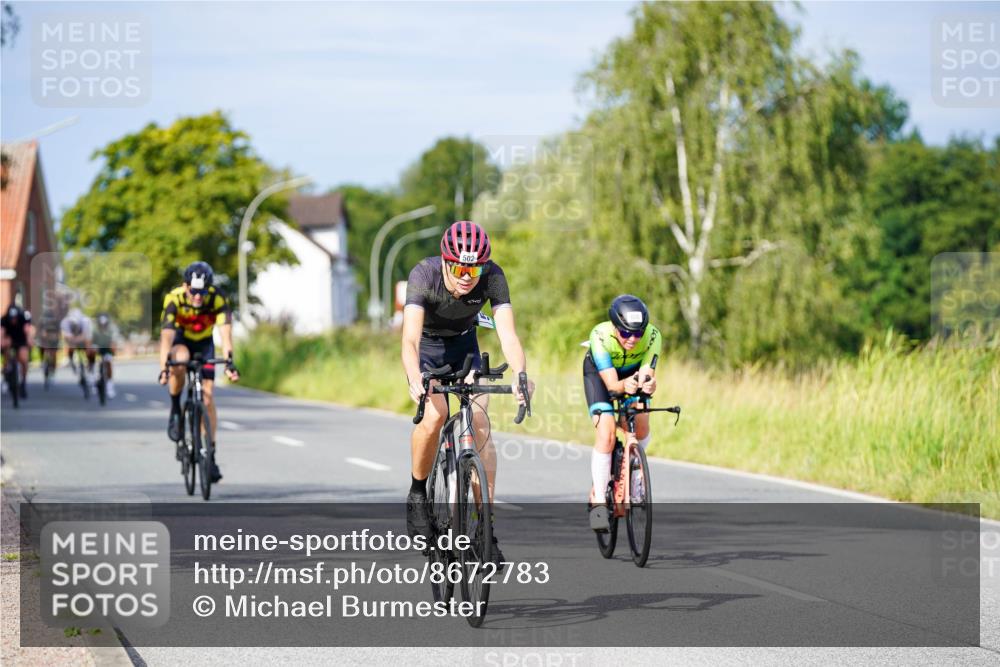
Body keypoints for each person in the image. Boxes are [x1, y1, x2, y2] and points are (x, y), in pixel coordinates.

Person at [401, 220, 533, 560]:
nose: (466, 275)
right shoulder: (424, 275)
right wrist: (415, 377)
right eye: (459, 267)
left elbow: (507, 335)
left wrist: (521, 374)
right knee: (436, 414)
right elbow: (410, 339)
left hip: (466, 348)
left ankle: (484, 528)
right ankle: (418, 493)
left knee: (479, 421)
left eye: (474, 269)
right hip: (428, 351)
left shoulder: (493, 276)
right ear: (445, 261)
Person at [583, 294, 661, 530]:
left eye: (638, 333)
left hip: (633, 374)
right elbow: (612, 385)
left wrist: (648, 384)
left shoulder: (653, 336)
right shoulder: (599, 335)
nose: (632, 339)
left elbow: (647, 371)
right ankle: (598, 501)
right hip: (601, 377)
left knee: (641, 423)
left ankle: (636, 472)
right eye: (626, 333)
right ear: (615, 328)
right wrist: (624, 386)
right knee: (606, 434)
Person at [158, 261, 240, 483]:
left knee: (207, 396)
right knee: (180, 360)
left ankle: (210, 454)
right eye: (193, 292)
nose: (197, 297)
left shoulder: (217, 298)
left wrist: (230, 362)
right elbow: (166, 337)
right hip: (181, 341)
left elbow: (225, 335)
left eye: (202, 292)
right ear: (185, 287)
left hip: (205, 344)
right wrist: (164, 367)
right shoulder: (173, 298)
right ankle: (176, 409)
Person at [1, 304, 34, 398]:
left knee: (24, 359)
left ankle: (23, 382)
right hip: (9, 340)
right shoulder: (4, 320)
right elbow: (1, 333)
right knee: (6, 352)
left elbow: (28, 331)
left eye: (15, 318)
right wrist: (2, 341)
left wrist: (29, 339)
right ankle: (7, 370)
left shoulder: (23, 319)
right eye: (11, 318)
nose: (13, 320)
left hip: (21, 340)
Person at [61, 307, 95, 386]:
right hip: (73, 338)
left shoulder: (86, 321)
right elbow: (66, 336)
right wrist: (72, 341)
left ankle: (91, 367)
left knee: (89, 347)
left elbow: (85, 336)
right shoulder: (65, 322)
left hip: (84, 337)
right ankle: (70, 359)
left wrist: (76, 340)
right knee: (69, 345)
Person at [92, 312, 121, 398]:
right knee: (93, 361)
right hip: (97, 347)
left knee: (108, 363)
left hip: (108, 348)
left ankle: (109, 386)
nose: (103, 326)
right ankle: (94, 380)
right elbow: (90, 340)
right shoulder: (94, 328)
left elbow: (114, 341)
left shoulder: (113, 328)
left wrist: (113, 348)